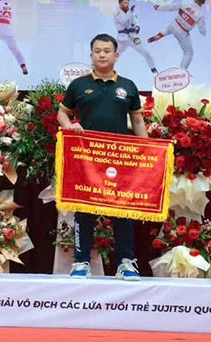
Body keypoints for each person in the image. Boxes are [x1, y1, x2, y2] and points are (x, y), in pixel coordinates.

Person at [57, 33, 148, 281]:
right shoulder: (78, 85)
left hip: (120, 159)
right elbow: (61, 114)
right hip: (87, 159)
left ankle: (126, 262)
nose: (102, 55)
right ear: (91, 56)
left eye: (107, 51)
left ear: (116, 55)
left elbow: (138, 120)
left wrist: (147, 152)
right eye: (97, 51)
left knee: (122, 211)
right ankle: (81, 262)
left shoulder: (127, 86)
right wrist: (69, 126)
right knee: (85, 209)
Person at [147, 0, 208, 69]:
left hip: (174, 24)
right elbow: (202, 29)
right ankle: (182, 70)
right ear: (203, 3)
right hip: (183, 32)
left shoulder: (185, 4)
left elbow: (171, 7)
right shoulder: (200, 14)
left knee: (168, 30)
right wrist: (204, 33)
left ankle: (161, 34)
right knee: (188, 53)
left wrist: (159, 7)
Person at [114, 0, 158, 74]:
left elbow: (136, 21)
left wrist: (137, 27)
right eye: (125, 3)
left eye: (127, 3)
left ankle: (154, 69)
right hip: (122, 39)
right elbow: (123, 21)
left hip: (133, 38)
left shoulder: (131, 13)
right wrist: (130, 12)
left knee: (146, 52)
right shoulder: (117, 13)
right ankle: (104, 70)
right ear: (120, 4)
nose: (127, 4)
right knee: (114, 56)